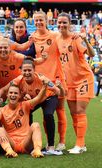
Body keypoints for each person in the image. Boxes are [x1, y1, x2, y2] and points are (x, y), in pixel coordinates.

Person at [0, 58, 62, 155]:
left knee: (48, 114)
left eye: (29, 70)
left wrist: (53, 86)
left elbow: (58, 91)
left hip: (48, 98)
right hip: (35, 100)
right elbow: (3, 89)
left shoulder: (41, 78)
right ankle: (28, 142)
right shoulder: (18, 80)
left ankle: (51, 146)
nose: (27, 72)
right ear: (21, 71)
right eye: (25, 70)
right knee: (26, 111)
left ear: (34, 70)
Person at [56, 13, 95, 154]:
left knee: (80, 111)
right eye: (59, 22)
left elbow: (91, 54)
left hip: (84, 78)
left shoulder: (76, 38)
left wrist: (86, 40)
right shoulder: (56, 40)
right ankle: (82, 144)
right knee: (73, 113)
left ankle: (79, 145)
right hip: (69, 82)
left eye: (64, 22)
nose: (61, 25)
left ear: (69, 23)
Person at [31, 11, 67, 151]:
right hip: (41, 82)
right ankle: (49, 142)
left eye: (41, 20)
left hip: (57, 79)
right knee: (47, 114)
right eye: (36, 20)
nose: (38, 22)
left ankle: (62, 141)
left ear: (46, 21)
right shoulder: (32, 37)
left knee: (60, 110)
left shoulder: (55, 36)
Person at [0, 82, 48, 158]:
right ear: (7, 95)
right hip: (12, 143)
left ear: (19, 95)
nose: (13, 95)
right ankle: (9, 151)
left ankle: (37, 150)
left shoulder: (25, 105)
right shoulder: (2, 110)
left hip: (26, 142)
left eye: (15, 93)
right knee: (0, 129)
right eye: (11, 93)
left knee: (35, 125)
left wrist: (44, 87)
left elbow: (38, 98)